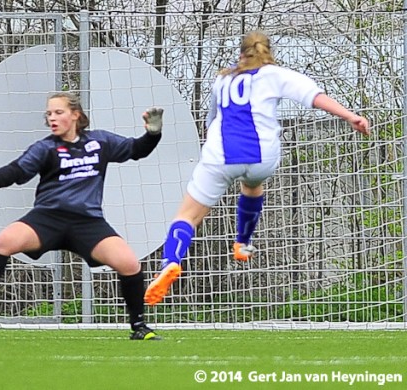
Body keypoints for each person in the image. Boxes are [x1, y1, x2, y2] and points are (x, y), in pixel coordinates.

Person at [144, 30, 370, 306]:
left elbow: (210, 122)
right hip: (262, 157)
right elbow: (314, 97)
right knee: (252, 184)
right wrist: (351, 116)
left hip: (221, 156)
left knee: (187, 216)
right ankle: (242, 242)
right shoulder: (275, 74)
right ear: (268, 53)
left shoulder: (223, 79)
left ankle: (170, 261)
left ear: (241, 54)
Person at [0, 91, 164, 340]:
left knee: (129, 263)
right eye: (49, 113)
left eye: (58, 112)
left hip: (87, 222)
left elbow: (137, 149)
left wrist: (153, 134)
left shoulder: (100, 142)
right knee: (3, 242)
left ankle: (138, 327)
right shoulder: (45, 148)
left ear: (76, 115)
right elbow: (15, 172)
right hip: (47, 219)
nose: (52, 118)